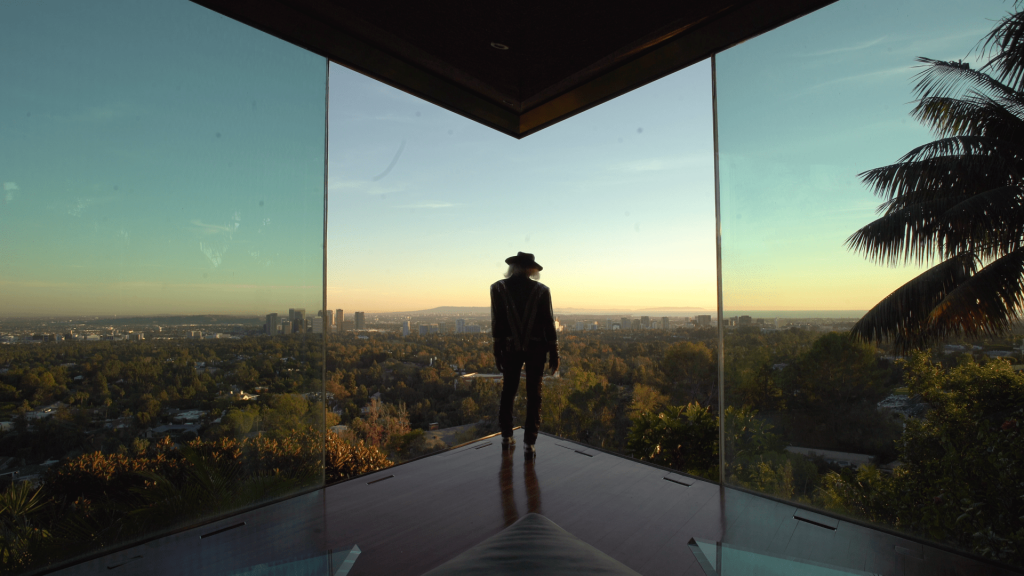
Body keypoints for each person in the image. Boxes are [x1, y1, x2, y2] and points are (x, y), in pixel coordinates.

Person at [490, 252, 559, 459]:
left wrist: (497, 350)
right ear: (531, 269)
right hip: (537, 349)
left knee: (508, 391)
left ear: (513, 267)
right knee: (534, 395)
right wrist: (554, 352)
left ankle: (506, 436)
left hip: (510, 348)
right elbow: (548, 322)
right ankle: (530, 442)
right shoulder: (541, 291)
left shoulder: (498, 288)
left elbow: (498, 322)